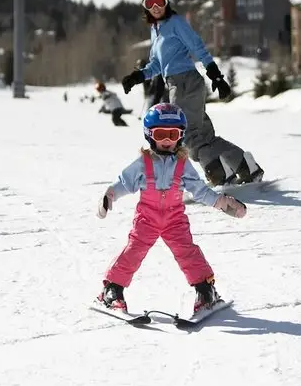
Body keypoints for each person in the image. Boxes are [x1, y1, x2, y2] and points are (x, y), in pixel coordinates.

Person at [95, 103, 247, 314]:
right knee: (134, 251)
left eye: (172, 134)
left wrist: (220, 202)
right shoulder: (143, 162)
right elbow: (125, 183)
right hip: (147, 218)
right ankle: (112, 290)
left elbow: (199, 190)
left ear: (180, 136)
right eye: (161, 134)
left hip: (175, 219)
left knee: (188, 252)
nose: (167, 140)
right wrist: (110, 195)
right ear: (150, 135)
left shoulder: (183, 163)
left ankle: (205, 290)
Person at [120, 0, 264, 186]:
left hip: (185, 82)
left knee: (186, 135)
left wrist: (216, 76)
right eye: (150, 3)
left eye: (159, 1)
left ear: (167, 2)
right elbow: (157, 64)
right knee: (204, 136)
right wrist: (137, 77)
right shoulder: (156, 29)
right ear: (145, 6)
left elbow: (197, 47)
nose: (155, 7)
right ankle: (245, 166)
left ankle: (219, 174)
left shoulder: (175, 22)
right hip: (176, 84)